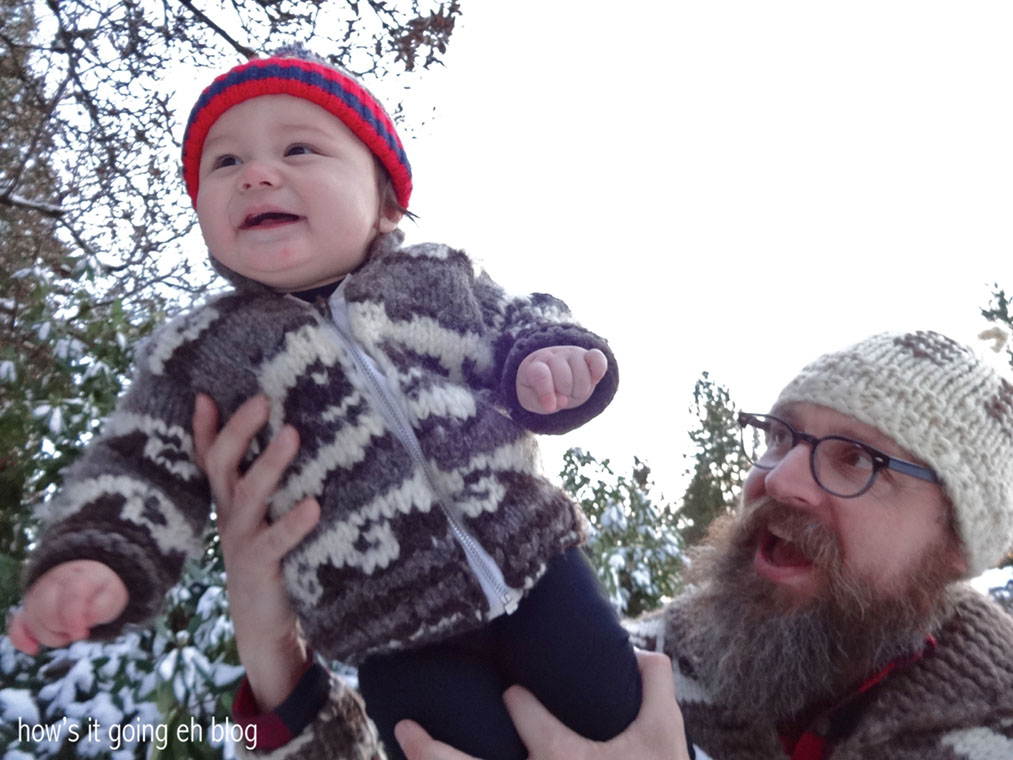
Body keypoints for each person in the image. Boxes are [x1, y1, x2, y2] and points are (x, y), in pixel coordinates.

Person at [6, 48, 643, 760]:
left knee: (613, 713)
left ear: (387, 203)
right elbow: (137, 463)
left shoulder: (439, 278)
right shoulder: (203, 353)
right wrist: (96, 555)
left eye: (298, 149)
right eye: (225, 163)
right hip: (389, 630)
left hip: (540, 568)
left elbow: (525, 319)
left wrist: (550, 359)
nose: (255, 174)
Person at [206, 330, 1013, 760]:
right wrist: (275, 659)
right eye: (779, 437)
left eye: (855, 461)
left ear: (956, 547)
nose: (780, 480)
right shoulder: (647, 665)